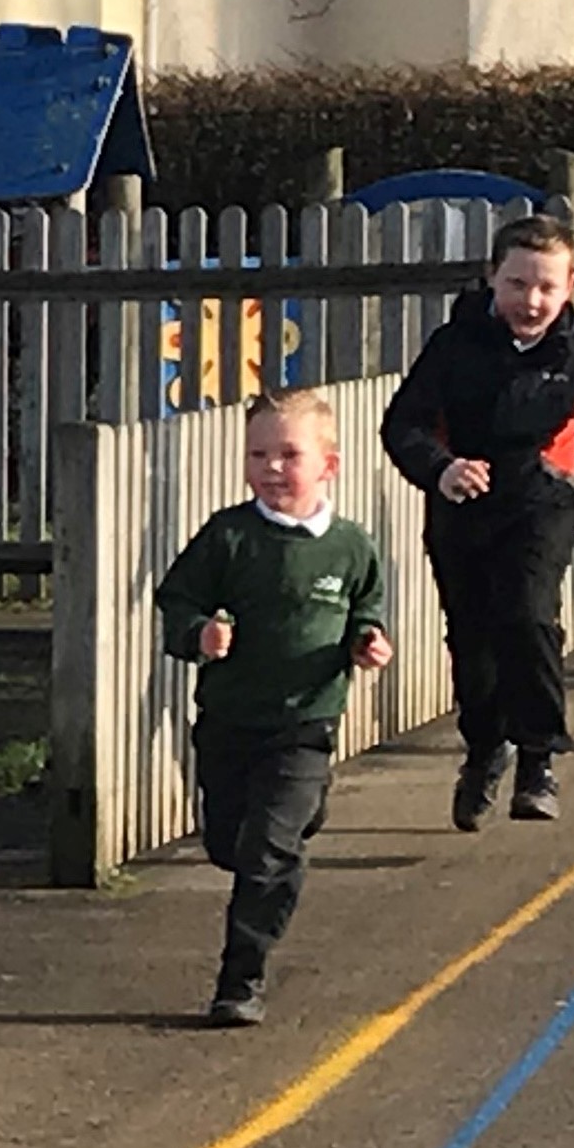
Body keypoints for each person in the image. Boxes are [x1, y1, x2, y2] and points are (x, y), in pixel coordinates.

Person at [382, 213, 574, 831]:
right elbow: (402, 424)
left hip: (542, 500)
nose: (531, 301)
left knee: (528, 615)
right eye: (516, 284)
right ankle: (485, 748)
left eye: (546, 286)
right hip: (462, 507)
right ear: (491, 278)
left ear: (570, 284)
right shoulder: (453, 346)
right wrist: (441, 469)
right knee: (472, 637)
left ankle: (539, 758)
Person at [156, 387, 393, 1028]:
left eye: (289, 454)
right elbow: (175, 600)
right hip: (231, 720)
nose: (272, 467)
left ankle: (241, 980)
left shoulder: (348, 545)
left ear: (329, 466)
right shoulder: (228, 536)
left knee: (265, 851)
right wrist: (199, 633)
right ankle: (289, 840)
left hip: (306, 725)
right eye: (259, 454)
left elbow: (365, 607)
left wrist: (368, 642)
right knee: (231, 847)